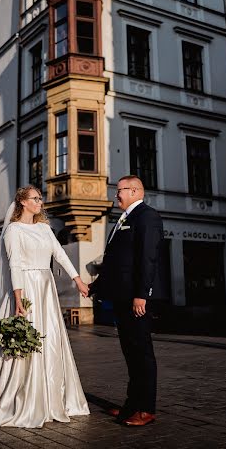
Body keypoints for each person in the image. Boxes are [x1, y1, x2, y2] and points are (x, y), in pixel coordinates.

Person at [0, 185, 90, 428]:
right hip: (27, 287)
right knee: (28, 341)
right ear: (22, 202)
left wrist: (78, 279)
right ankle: (24, 399)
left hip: (46, 288)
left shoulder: (44, 228)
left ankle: (52, 397)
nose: (40, 202)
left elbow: (60, 254)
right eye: (35, 198)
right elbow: (15, 265)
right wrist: (18, 298)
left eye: (40, 198)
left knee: (50, 339)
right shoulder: (13, 230)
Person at [89, 175, 164, 427]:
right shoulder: (123, 218)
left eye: (119, 190)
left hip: (135, 298)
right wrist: (95, 286)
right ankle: (132, 404)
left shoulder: (147, 216)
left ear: (134, 190)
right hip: (121, 298)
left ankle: (146, 409)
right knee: (130, 353)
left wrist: (142, 293)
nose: (115, 195)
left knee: (142, 353)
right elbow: (114, 261)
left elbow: (148, 258)